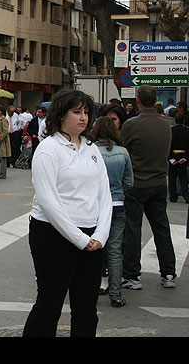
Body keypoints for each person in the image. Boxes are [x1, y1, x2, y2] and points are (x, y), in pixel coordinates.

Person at [23, 88, 112, 337]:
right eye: (76, 112)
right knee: (49, 304)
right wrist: (80, 239)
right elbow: (48, 201)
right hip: (53, 234)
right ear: (61, 115)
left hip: (92, 236)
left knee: (86, 307)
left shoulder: (92, 148)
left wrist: (100, 235)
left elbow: (104, 194)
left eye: (86, 112)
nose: (83, 117)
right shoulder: (49, 149)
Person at [120, 85, 176, 290]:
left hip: (136, 183)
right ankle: (168, 272)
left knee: (133, 229)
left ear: (138, 100)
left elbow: (123, 150)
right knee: (161, 228)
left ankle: (132, 275)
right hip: (160, 182)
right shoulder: (165, 124)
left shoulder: (131, 124)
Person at [92, 116, 133, 308]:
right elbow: (129, 182)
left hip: (96, 205)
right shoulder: (122, 152)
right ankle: (116, 295)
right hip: (117, 203)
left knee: (94, 246)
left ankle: (93, 288)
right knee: (115, 250)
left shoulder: (91, 151)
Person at [168, 113, 189, 203]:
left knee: (172, 178)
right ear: (183, 121)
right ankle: (185, 194)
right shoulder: (187, 131)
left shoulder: (171, 131)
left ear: (175, 120)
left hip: (173, 155)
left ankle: (173, 196)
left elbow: (168, 145)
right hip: (183, 156)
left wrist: (171, 158)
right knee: (183, 177)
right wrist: (185, 158)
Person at [0, 106, 10, 179]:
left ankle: (2, 174)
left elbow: (5, 131)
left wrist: (0, 138)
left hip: (2, 141)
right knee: (1, 157)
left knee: (3, 157)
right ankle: (1, 173)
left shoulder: (3, 120)